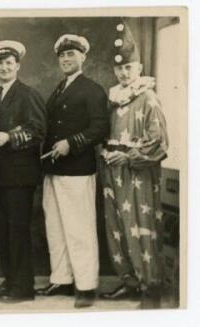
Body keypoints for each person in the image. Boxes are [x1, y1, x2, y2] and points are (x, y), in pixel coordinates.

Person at [36, 34, 109, 308]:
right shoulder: (59, 89)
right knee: (55, 226)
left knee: (79, 228)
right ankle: (62, 278)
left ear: (83, 57)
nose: (66, 59)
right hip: (53, 169)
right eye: (63, 55)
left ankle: (86, 285)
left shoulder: (92, 89)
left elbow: (100, 128)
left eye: (72, 54)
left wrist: (72, 143)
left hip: (77, 169)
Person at [99, 20, 168, 309]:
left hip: (137, 173)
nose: (124, 73)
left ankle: (149, 285)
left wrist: (128, 156)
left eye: (129, 67)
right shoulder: (113, 100)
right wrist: (106, 152)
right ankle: (128, 280)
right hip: (112, 172)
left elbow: (159, 142)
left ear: (139, 68)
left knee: (141, 224)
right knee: (117, 226)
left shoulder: (148, 98)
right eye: (119, 68)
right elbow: (104, 133)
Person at [0, 40, 47, 304]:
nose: (4, 67)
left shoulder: (28, 94)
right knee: (3, 230)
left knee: (18, 230)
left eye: (9, 63)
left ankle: (23, 287)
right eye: (0, 63)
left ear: (18, 65)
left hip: (20, 176)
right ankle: (10, 279)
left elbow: (38, 130)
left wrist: (9, 137)